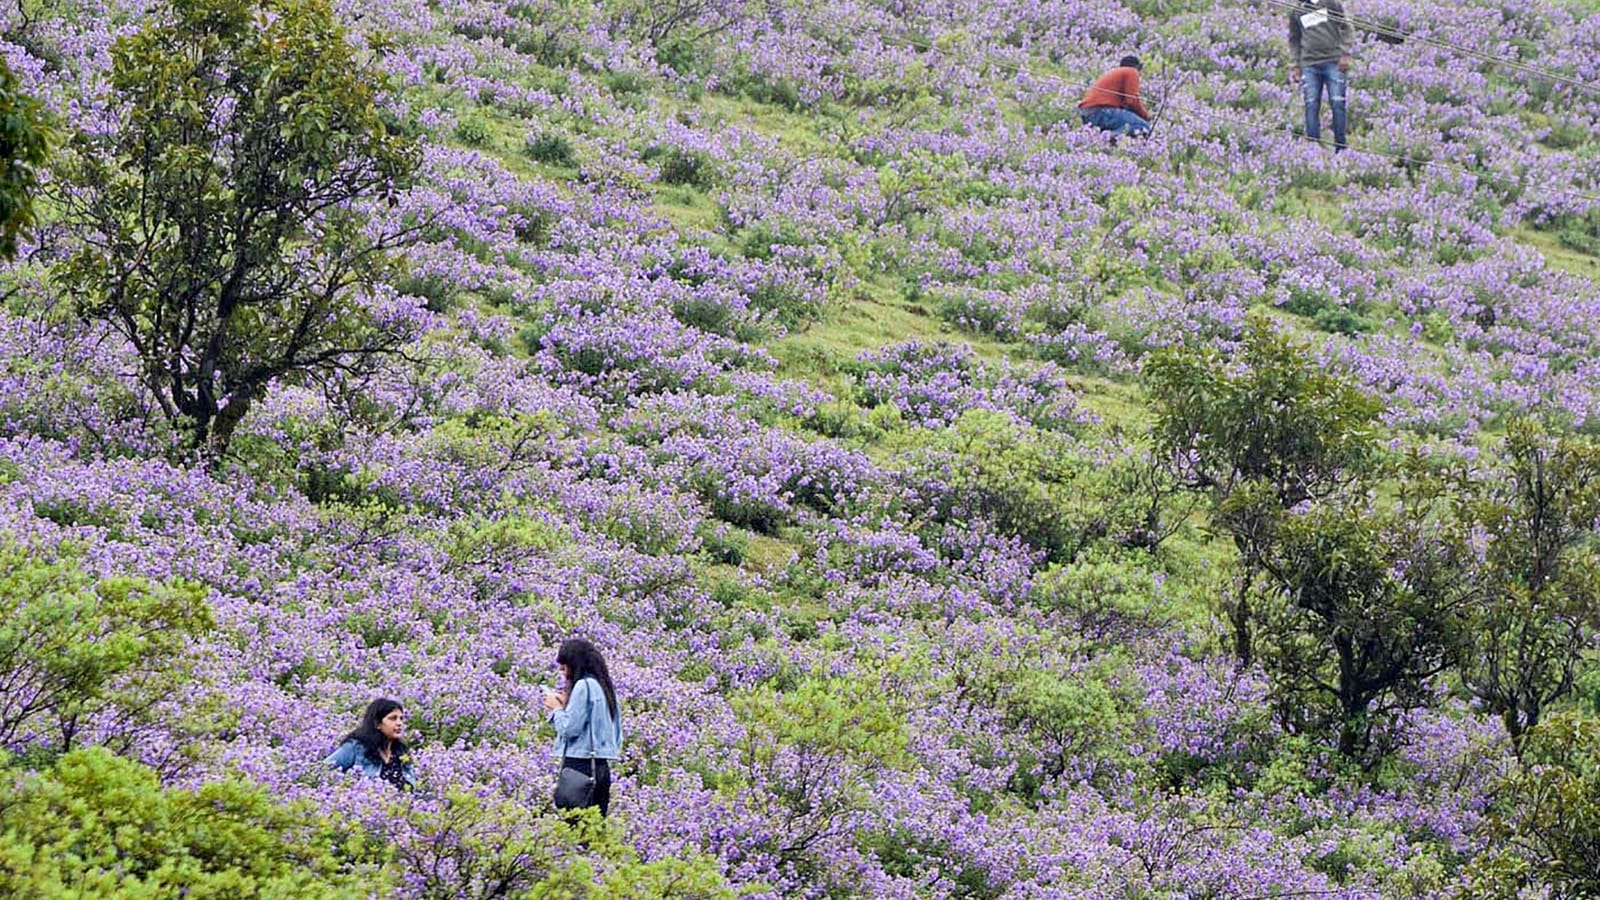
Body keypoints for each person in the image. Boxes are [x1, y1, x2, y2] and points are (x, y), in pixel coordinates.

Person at [543, 638, 622, 816]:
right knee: (594, 828)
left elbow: (569, 729)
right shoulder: (605, 687)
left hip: (579, 766)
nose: (564, 674)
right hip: (601, 767)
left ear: (574, 664)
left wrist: (556, 710)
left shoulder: (583, 686)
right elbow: (617, 734)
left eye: (564, 668)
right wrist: (567, 706)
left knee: (574, 827)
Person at [1289, 0, 1356, 150]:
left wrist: (1345, 53)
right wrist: (1295, 65)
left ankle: (1340, 146)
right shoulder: (1296, 10)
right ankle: (1314, 148)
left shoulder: (1331, 3)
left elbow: (1347, 27)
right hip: (1309, 65)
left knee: (1337, 103)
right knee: (1311, 104)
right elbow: (1294, 39)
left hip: (1334, 62)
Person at [326, 697, 415, 791]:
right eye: (393, 718)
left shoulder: (401, 753)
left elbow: (411, 785)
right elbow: (324, 769)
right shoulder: (356, 748)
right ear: (377, 724)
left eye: (401, 719)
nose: (399, 723)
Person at [1078, 56, 1152, 137]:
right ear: (1137, 67)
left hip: (1088, 113)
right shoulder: (1132, 72)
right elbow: (1132, 100)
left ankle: (1103, 140)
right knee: (1142, 126)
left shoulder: (1116, 73)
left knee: (1125, 124)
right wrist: (1146, 116)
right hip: (1100, 111)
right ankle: (1105, 138)